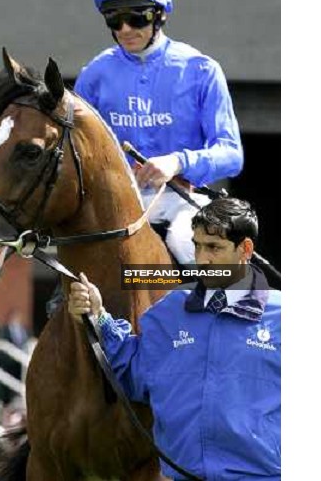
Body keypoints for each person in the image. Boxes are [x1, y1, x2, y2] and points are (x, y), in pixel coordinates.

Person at [68, 198, 280, 480]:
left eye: (214, 247)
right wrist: (99, 318)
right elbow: (134, 373)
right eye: (197, 245)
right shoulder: (170, 310)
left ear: (245, 249)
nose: (202, 259)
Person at [74, 0, 243, 264]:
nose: (125, 28)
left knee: (189, 245)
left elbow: (232, 154)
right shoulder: (93, 75)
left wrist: (177, 162)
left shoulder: (201, 70)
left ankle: (209, 312)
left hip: (183, 202)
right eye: (114, 19)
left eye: (136, 17)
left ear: (160, 14)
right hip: (114, 204)